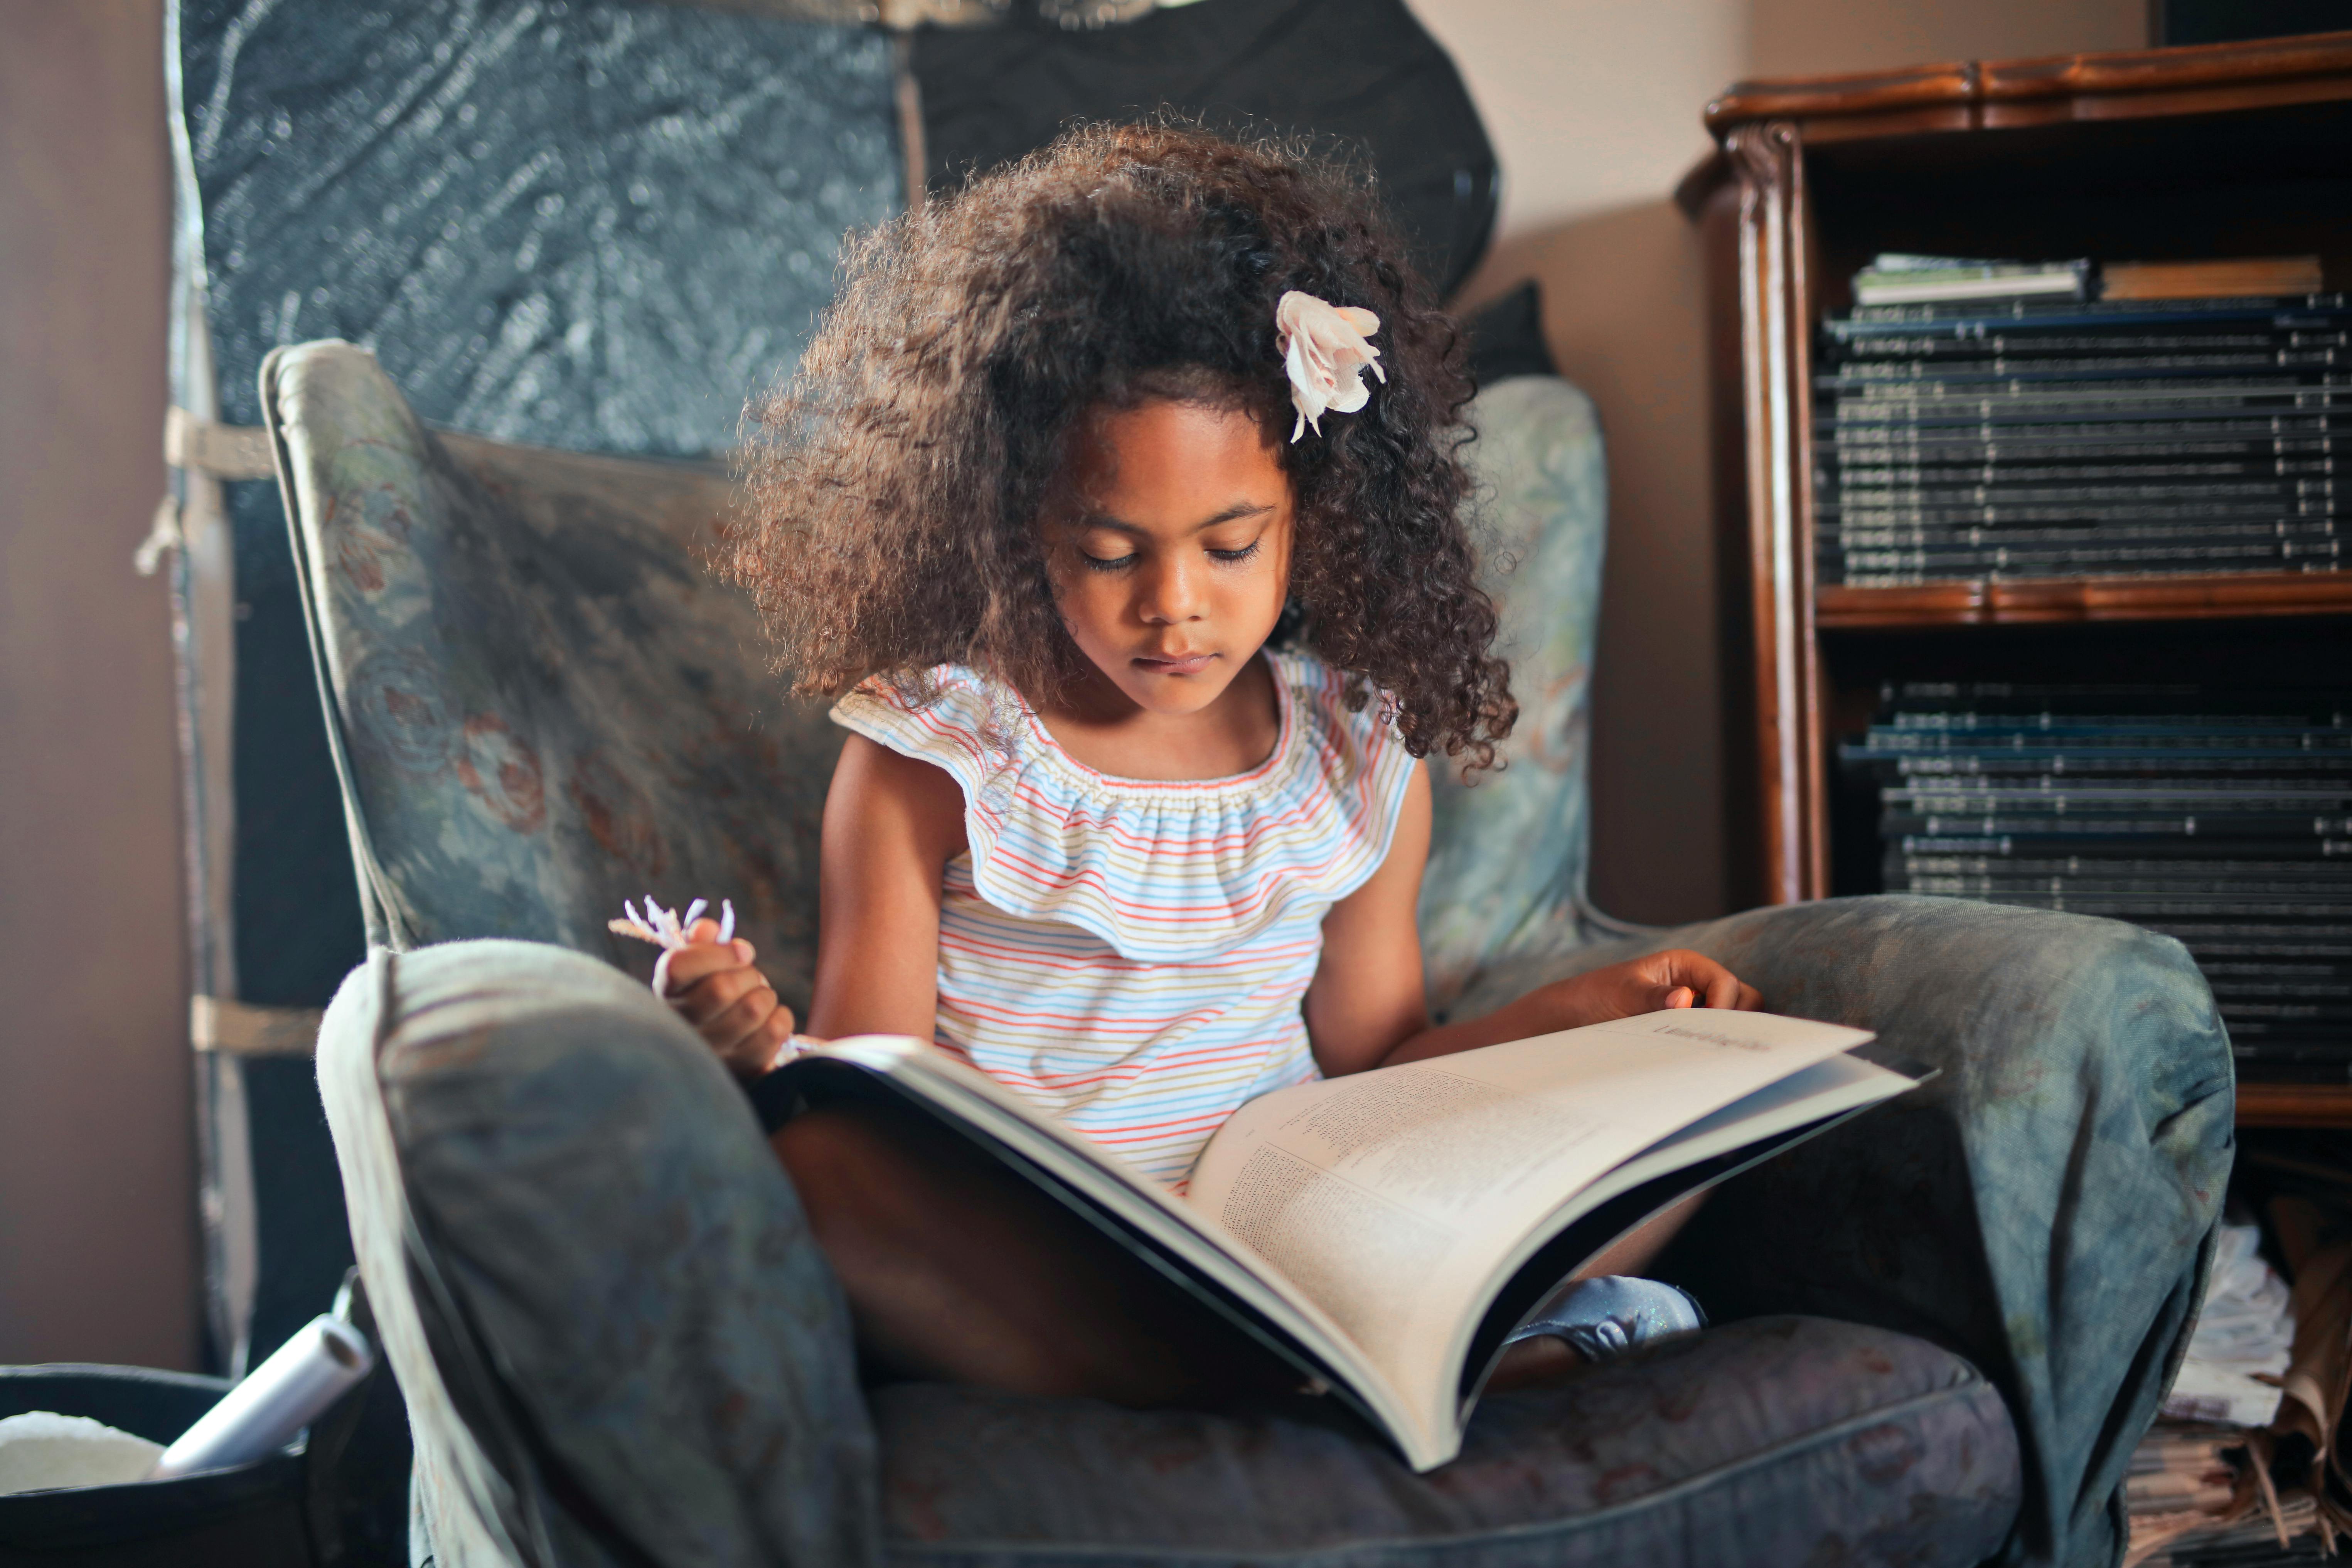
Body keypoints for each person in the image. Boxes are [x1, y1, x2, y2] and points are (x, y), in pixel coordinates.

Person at [655, 124, 1757, 1406]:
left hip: (1298, 1230)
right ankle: (1399, 1373)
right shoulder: (933, 755)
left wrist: (1590, 1016)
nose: (1174, 607)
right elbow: (869, 1087)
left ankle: (1316, 1364)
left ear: (1314, 515)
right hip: (1050, 1257)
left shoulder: (1352, 754)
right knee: (823, 1183)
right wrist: (752, 1052)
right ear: (1016, 530)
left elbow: (1380, 1064)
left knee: (1696, 1101)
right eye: (1111, 553)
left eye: (1230, 546)